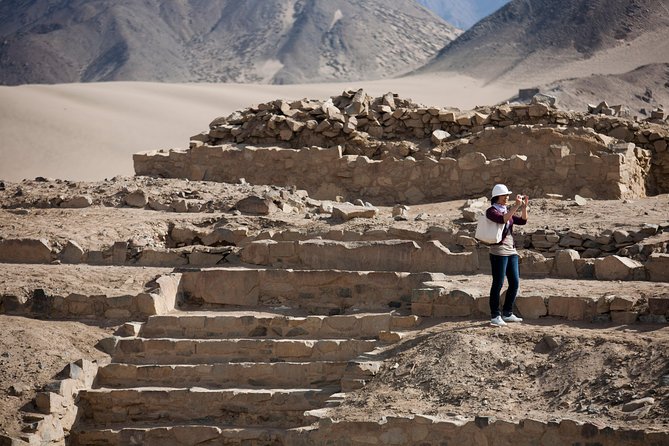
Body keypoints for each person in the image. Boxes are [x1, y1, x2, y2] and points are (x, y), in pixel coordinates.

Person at [486, 184, 528, 327]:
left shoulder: (506, 210)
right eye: (505, 196)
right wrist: (515, 207)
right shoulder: (491, 211)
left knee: (514, 283)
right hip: (498, 252)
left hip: (511, 251)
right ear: (497, 197)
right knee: (498, 283)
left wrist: (524, 207)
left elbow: (522, 221)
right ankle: (495, 315)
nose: (507, 198)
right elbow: (502, 220)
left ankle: (508, 313)